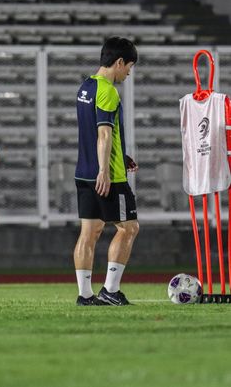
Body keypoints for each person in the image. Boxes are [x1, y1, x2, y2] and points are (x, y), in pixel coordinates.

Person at [73, 36, 140, 306]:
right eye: (129, 67)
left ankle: (85, 295)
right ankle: (110, 290)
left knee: (90, 232)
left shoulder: (85, 87)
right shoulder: (108, 90)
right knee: (129, 228)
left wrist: (121, 156)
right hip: (108, 176)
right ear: (119, 61)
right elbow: (103, 134)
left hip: (83, 172)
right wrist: (106, 170)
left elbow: (92, 132)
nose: (128, 73)